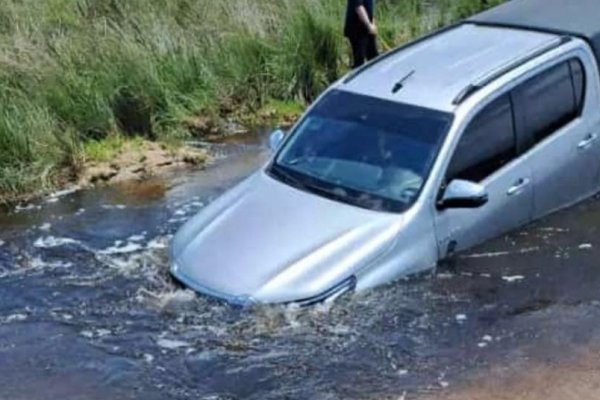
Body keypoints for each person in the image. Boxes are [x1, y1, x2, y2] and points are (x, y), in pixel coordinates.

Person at [344, 0, 378, 69]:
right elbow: (359, 7)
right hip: (357, 30)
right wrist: (369, 25)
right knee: (360, 62)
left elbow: (369, 7)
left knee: (374, 57)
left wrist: (373, 23)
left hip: (367, 29)